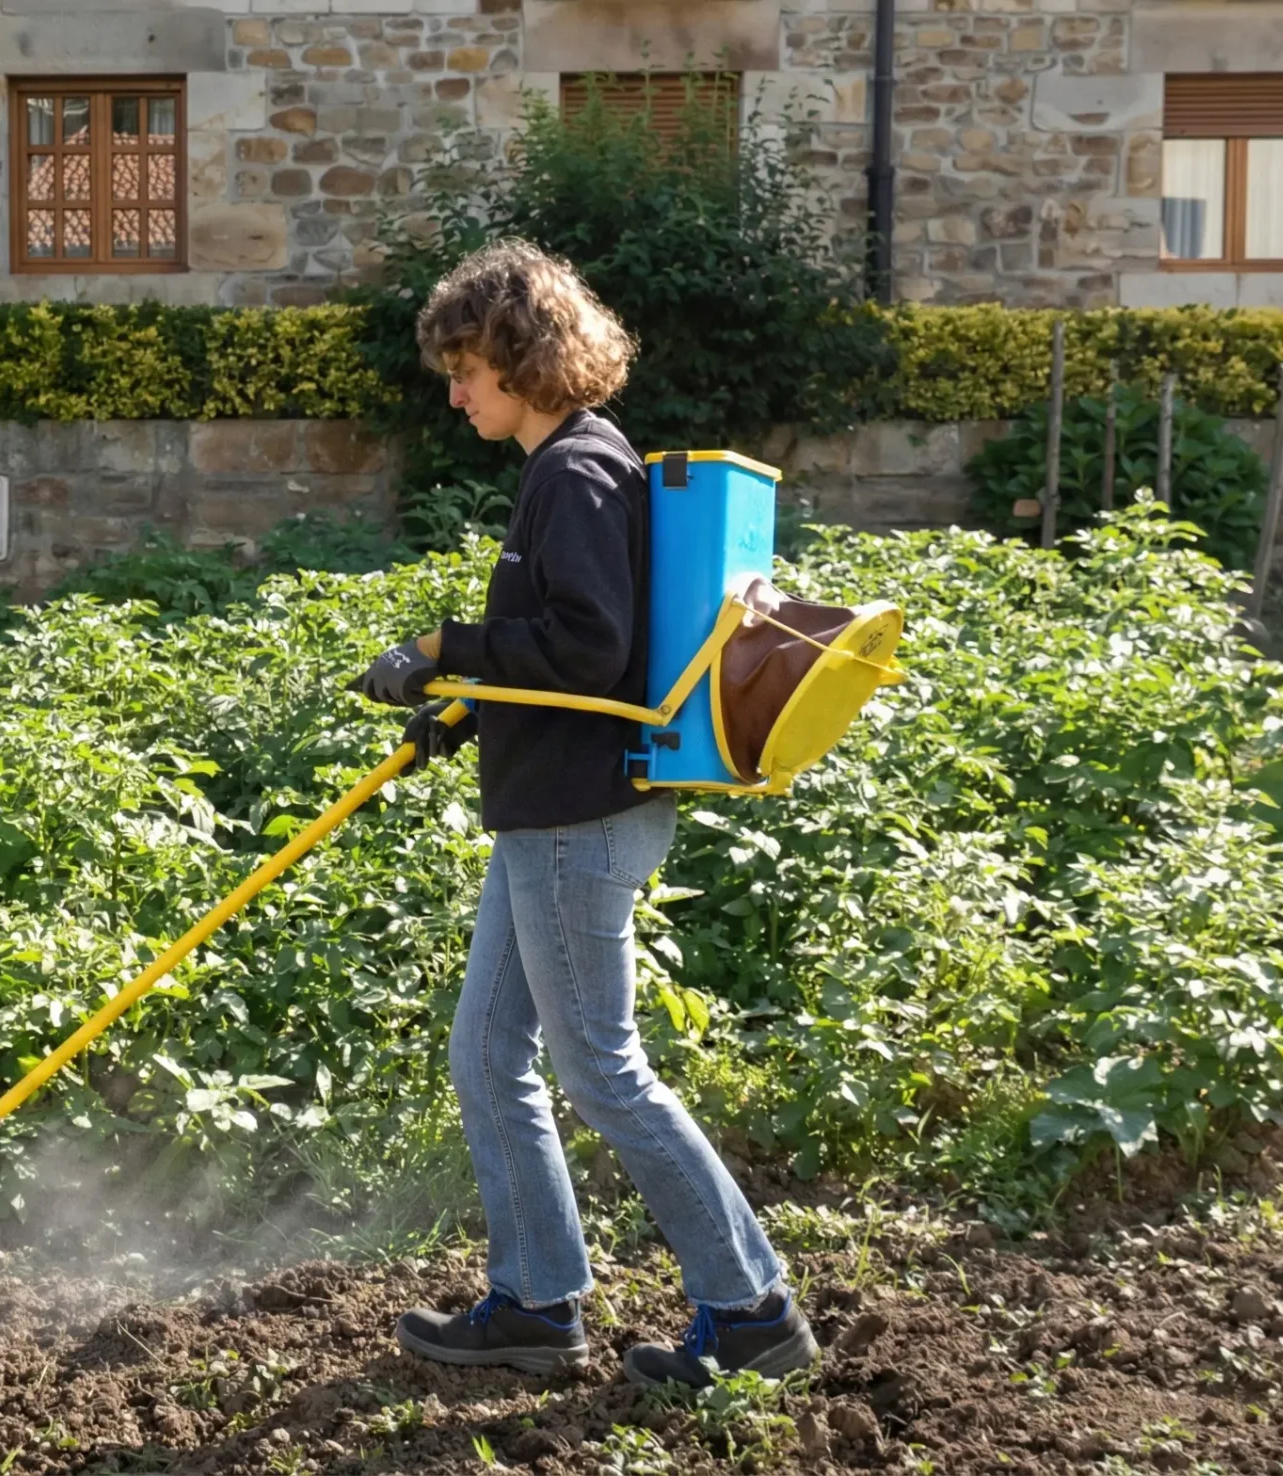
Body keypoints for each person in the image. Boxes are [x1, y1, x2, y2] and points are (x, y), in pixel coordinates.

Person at [354, 239, 817, 1390]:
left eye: (466, 371)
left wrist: (443, 647)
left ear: (519, 358)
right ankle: (534, 1303)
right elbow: (575, 658)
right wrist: (469, 708)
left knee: (602, 1073)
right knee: (486, 1054)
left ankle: (751, 1310)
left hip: (576, 823)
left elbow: (590, 646)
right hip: (547, 812)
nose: (455, 395)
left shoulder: (576, 470)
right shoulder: (569, 467)